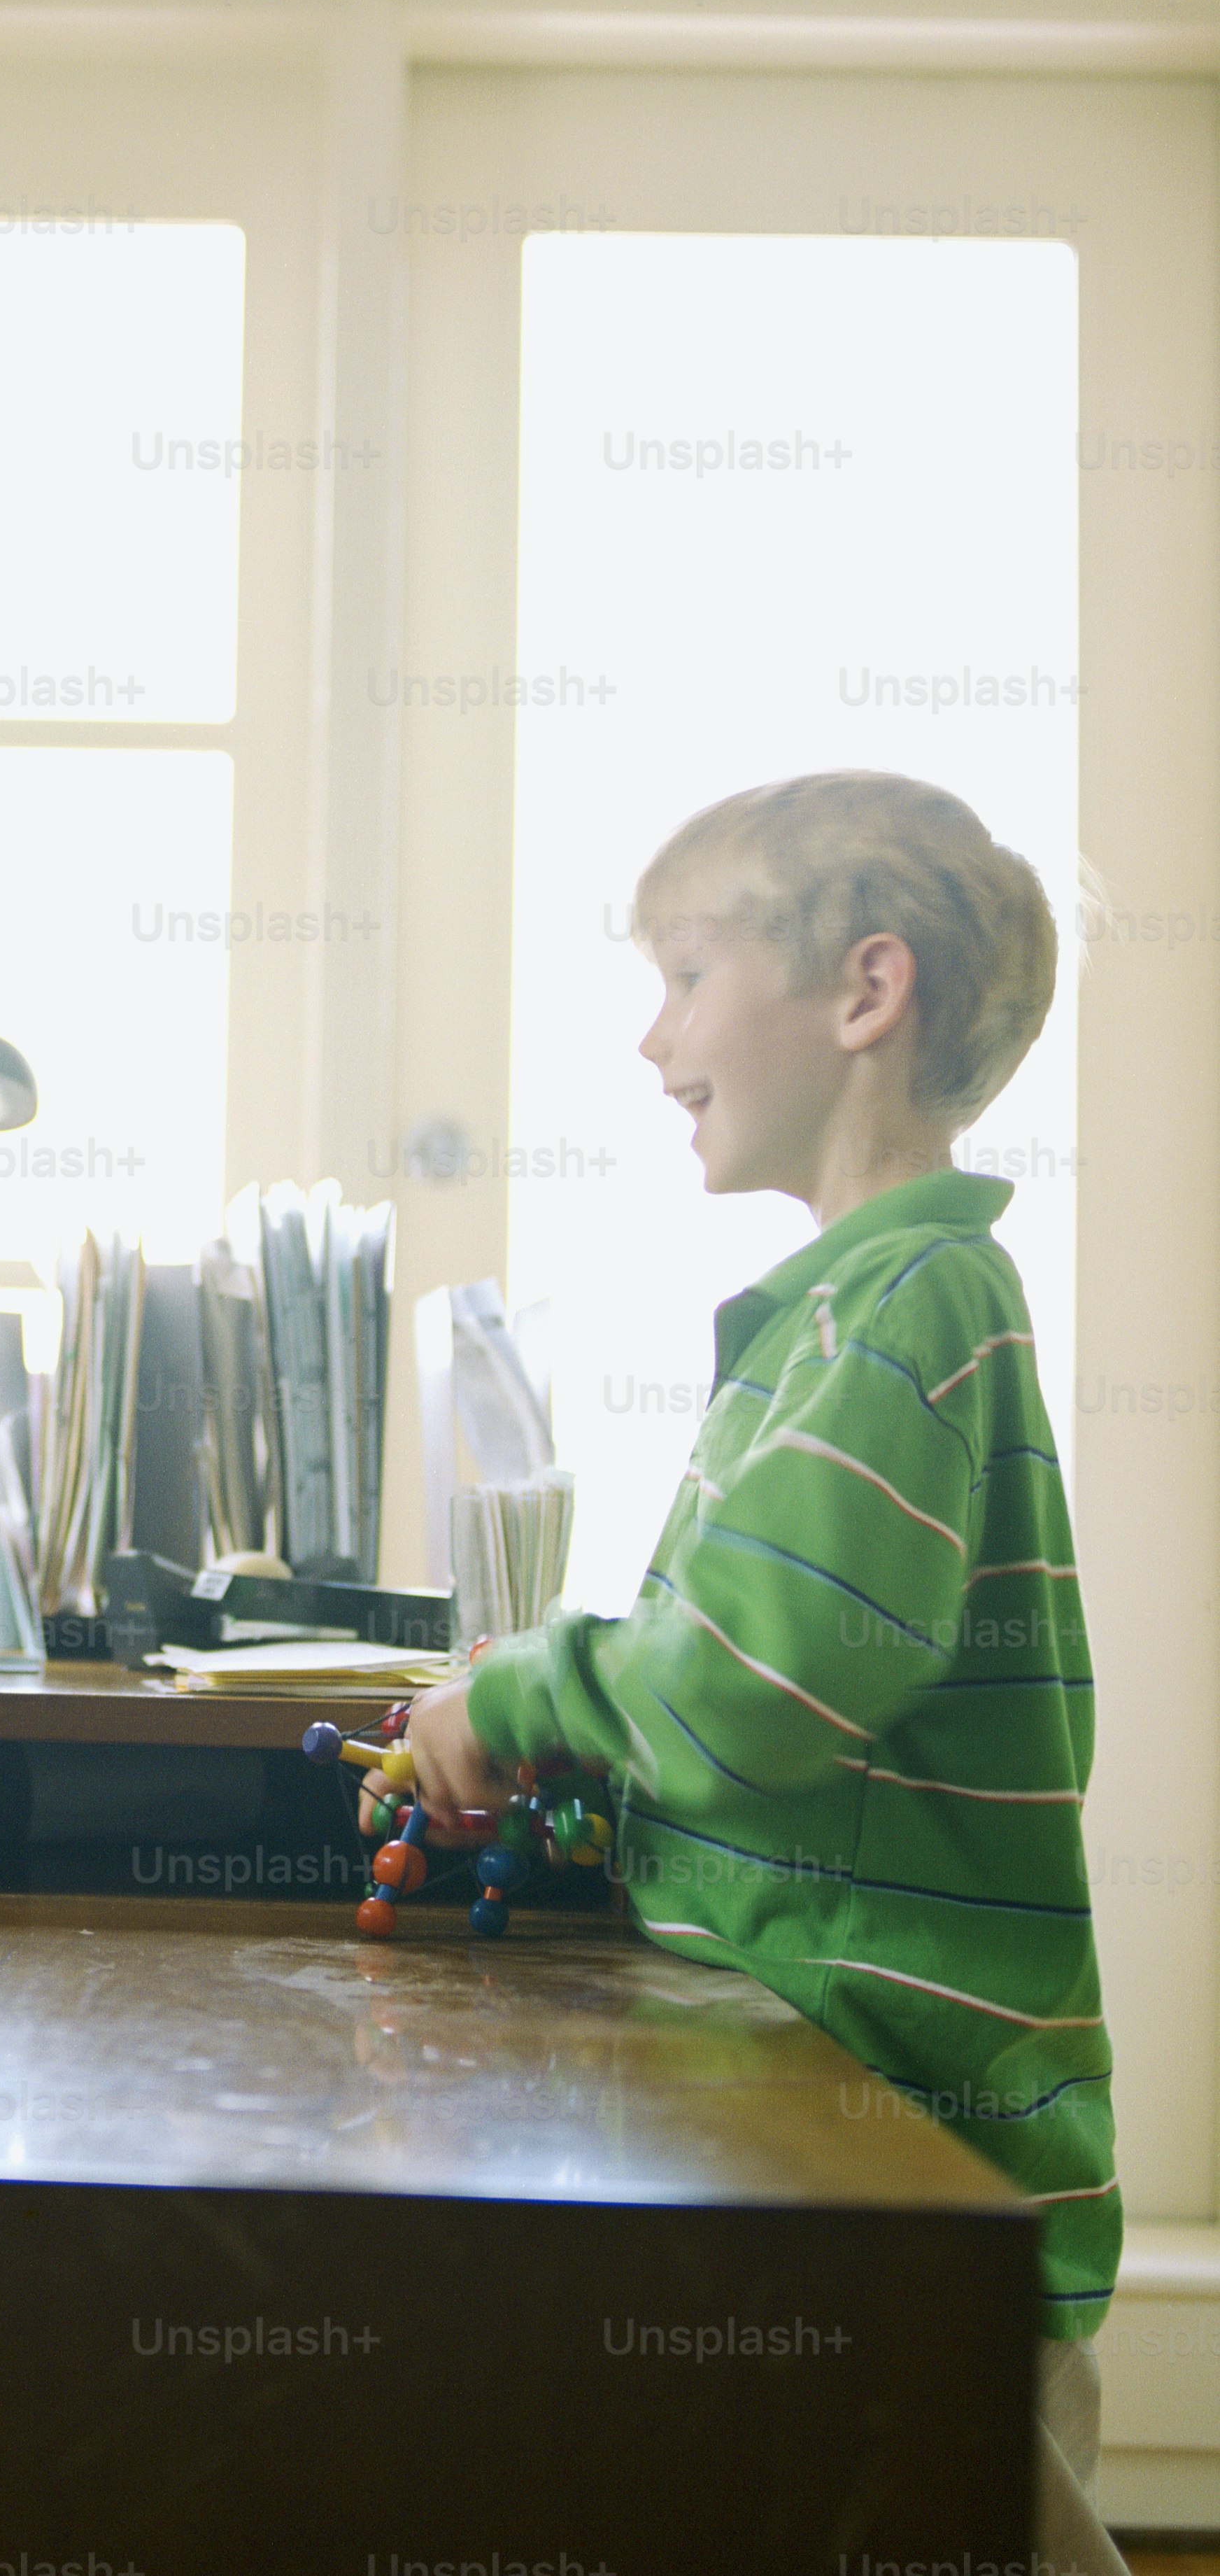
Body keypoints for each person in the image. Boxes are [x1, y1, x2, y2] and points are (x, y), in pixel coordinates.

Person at [381, 773, 1121, 2575]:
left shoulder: (911, 1315)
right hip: (848, 2139)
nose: (651, 1039)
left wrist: (528, 1689)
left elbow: (749, 1695)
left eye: (688, 976)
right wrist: (589, 1768)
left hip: (907, 2158)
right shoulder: (849, 1317)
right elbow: (754, 1709)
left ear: (866, 996)